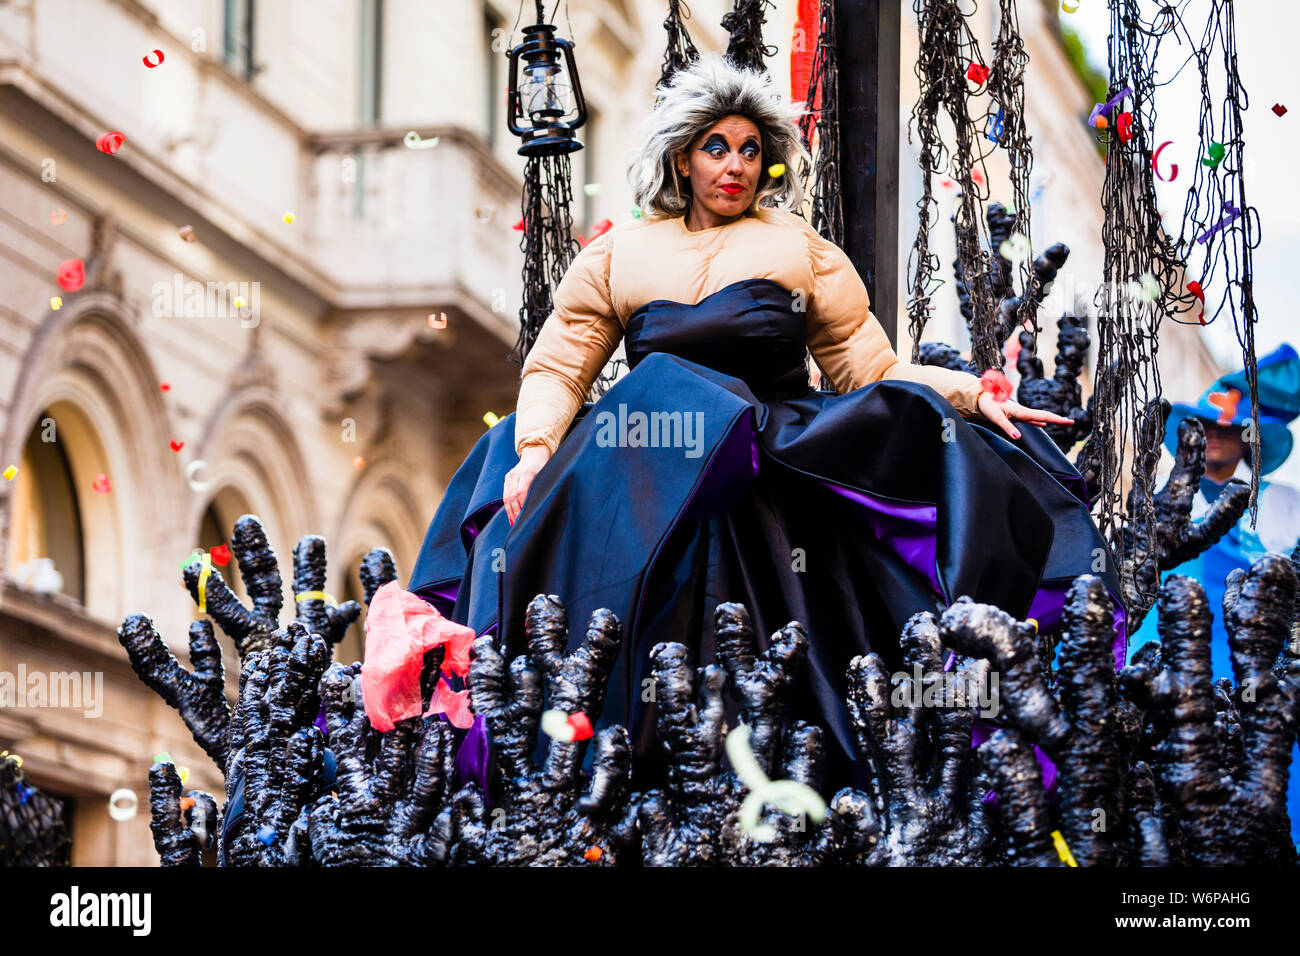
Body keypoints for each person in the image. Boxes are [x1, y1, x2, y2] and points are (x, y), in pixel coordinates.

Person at [409, 54, 1126, 793]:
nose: (736, 166)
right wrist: (532, 453)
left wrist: (973, 396)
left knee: (791, 689)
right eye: (717, 147)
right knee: (552, 476)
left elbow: (870, 370)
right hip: (652, 478)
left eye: (751, 150)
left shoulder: (800, 250)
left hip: (772, 480)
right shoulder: (616, 255)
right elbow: (558, 370)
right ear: (682, 158)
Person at [1127, 343, 1300, 845]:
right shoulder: (1159, 491)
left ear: (1249, 440)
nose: (1217, 438)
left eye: (1228, 429)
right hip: (1166, 656)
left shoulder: (1282, 503)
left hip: (1247, 663)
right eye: (1208, 427)